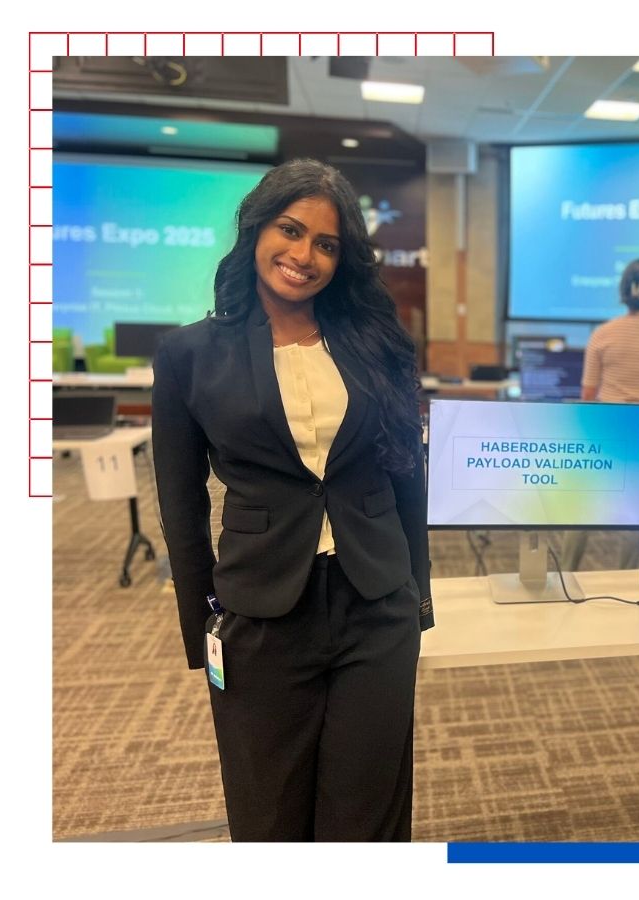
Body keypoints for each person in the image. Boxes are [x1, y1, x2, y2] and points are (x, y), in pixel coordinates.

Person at [151, 158, 434, 842]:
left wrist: (417, 596)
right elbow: (181, 507)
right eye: (291, 230)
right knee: (269, 813)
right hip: (261, 612)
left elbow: (405, 478)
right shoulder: (190, 355)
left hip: (375, 604)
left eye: (327, 244)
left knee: (366, 814)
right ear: (256, 229)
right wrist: (204, 631)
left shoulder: (374, 346)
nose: (305, 256)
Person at [562, 259, 639, 570]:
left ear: (624, 289)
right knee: (633, 504)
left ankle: (567, 573)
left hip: (605, 421)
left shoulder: (603, 333)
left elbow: (588, 394)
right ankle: (625, 575)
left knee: (584, 502)